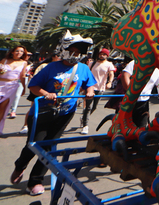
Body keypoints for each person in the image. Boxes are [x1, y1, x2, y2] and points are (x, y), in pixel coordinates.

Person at [10, 31, 96, 196]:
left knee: (49, 147)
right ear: (64, 49)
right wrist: (45, 93)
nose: (75, 55)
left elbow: (89, 84)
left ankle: (35, 181)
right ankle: (20, 165)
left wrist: (90, 91)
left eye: (78, 53)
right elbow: (33, 86)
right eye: (73, 51)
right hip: (43, 112)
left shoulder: (83, 68)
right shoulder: (51, 67)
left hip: (65, 113)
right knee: (35, 144)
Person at [0, 46, 28, 138]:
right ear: (13, 52)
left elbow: (22, 76)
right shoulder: (4, 60)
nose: (19, 52)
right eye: (17, 51)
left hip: (12, 86)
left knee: (2, 108)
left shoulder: (24, 63)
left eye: (21, 51)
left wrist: (24, 88)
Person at [81, 48, 115, 135]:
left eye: (104, 54)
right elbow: (86, 74)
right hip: (90, 88)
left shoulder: (109, 64)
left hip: (101, 88)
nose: (102, 55)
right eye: (101, 54)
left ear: (107, 56)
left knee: (94, 107)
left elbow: (111, 74)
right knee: (88, 106)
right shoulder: (92, 64)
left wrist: (110, 82)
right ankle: (85, 125)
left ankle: (84, 118)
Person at [120, 59, 159, 127]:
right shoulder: (136, 62)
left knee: (141, 127)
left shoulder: (157, 70)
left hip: (144, 102)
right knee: (125, 126)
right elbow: (125, 75)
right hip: (129, 101)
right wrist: (131, 92)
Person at [9, 51, 33, 119]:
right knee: (9, 95)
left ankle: (13, 111)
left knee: (17, 95)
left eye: (29, 55)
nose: (28, 56)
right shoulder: (15, 62)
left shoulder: (29, 64)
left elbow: (28, 72)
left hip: (22, 81)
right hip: (12, 80)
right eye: (26, 55)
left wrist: (29, 76)